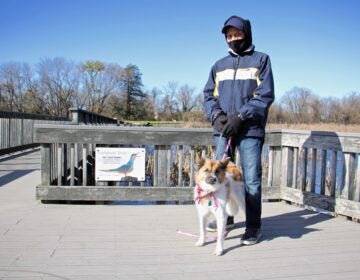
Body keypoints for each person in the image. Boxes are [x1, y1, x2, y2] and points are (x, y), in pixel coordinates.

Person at [203, 15, 274, 245]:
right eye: (229, 35)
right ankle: (227, 219)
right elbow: (208, 96)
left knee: (251, 179)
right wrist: (217, 116)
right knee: (221, 176)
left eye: (237, 34)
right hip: (224, 130)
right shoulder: (218, 65)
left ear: (247, 34)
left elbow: (265, 95)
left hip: (250, 130)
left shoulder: (261, 60)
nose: (233, 39)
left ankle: (253, 226)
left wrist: (241, 116)